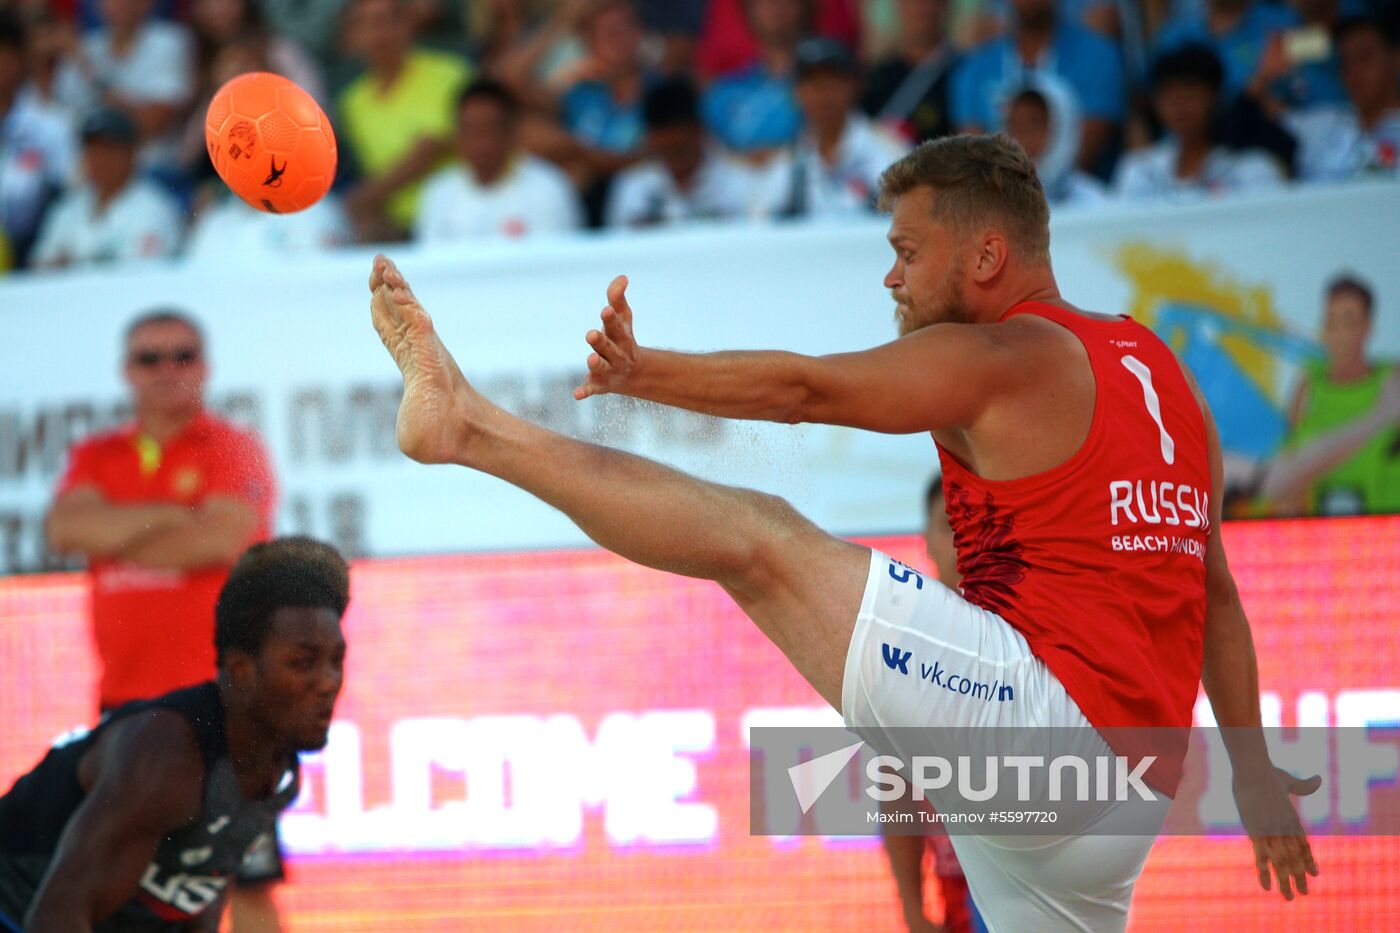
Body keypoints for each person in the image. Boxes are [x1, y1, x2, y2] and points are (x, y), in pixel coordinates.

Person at [367, 132, 1320, 931]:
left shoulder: (1001, 354)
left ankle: (470, 428)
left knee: (762, 538)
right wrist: (1254, 774)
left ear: (984, 258)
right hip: (1124, 814)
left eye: (907, 251)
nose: (890, 276)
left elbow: (806, 388)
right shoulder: (1164, 371)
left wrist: (642, 370)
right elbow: (1219, 596)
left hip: (1049, 746)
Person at [0, 536, 348, 933]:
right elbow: (54, 918)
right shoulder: (167, 758)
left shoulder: (273, 761)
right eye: (304, 663)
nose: (328, 682)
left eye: (337, 660)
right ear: (240, 669)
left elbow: (193, 902)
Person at [879, 478, 979, 933]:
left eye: (976, 526)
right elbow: (896, 792)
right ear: (928, 544)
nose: (963, 541)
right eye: (948, 527)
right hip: (962, 910)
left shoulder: (1045, 645)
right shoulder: (910, 660)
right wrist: (914, 913)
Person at [337, 0, 472, 241]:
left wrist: (363, 198)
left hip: (455, 215)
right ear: (352, 36)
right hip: (393, 225)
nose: (380, 33)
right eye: (367, 24)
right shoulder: (351, 102)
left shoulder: (449, 73)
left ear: (409, 25)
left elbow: (429, 150)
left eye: (389, 20)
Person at [950, 0, 1125, 173]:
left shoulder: (1099, 58)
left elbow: (1082, 156)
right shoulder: (974, 68)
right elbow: (974, 159)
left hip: (1077, 198)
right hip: (997, 195)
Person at [1280, 274, 1400, 515]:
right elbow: (1287, 470)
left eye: (1350, 321)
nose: (1340, 334)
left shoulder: (1391, 381)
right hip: (1318, 537)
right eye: (1332, 322)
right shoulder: (1308, 385)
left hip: (1385, 537)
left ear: (1367, 327)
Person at [754, 37, 908, 219]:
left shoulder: (886, 149)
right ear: (796, 92)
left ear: (853, 85)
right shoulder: (790, 160)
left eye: (831, 80)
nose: (821, 93)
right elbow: (759, 220)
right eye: (811, 83)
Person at [414, 79, 581, 242]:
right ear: (457, 135)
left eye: (490, 129)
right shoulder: (437, 193)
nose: (482, 143)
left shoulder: (548, 189)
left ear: (511, 132)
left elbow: (558, 264)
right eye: (472, 130)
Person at [1114, 44, 1284, 202]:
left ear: (1215, 97)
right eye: (1168, 95)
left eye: (1190, 92)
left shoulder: (1252, 168)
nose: (1179, 104)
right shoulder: (1140, 169)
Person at [29, 106, 182, 269]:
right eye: (93, 149)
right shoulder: (67, 208)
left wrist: (72, 263)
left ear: (131, 153)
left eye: (108, 149)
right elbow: (39, 265)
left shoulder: (154, 209)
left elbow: (141, 275)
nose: (100, 158)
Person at [604, 77, 758, 228]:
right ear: (650, 140)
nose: (676, 157)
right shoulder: (632, 188)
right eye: (666, 149)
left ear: (699, 131)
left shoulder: (739, 182)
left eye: (681, 147)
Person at [0, 12, 77, 269]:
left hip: (29, 252)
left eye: (4, 54)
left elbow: (68, 194)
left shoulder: (50, 126)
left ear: (20, 60)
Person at [1285, 15, 1400, 184]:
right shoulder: (1320, 124)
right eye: (1345, 63)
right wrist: (1264, 76)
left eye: (1364, 57)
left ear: (1396, 58)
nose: (1354, 71)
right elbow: (1259, 117)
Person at [861, 0, 960, 145]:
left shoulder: (964, 72)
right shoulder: (876, 77)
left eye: (930, 2)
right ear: (899, 6)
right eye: (912, 2)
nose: (921, 9)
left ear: (944, 6)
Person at [1003, 82, 1108, 208]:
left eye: (1035, 125)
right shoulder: (994, 202)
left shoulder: (1095, 203)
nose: (1024, 139)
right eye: (1016, 126)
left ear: (1063, 127)